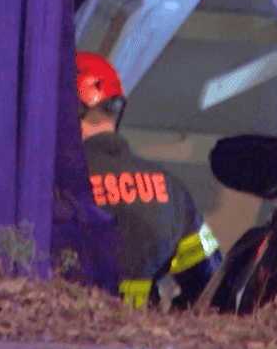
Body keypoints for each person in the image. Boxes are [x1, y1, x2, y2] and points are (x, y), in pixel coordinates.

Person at [74, 51, 221, 307]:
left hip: (60, 339)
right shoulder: (171, 190)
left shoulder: (55, 186)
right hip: (138, 341)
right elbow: (210, 278)